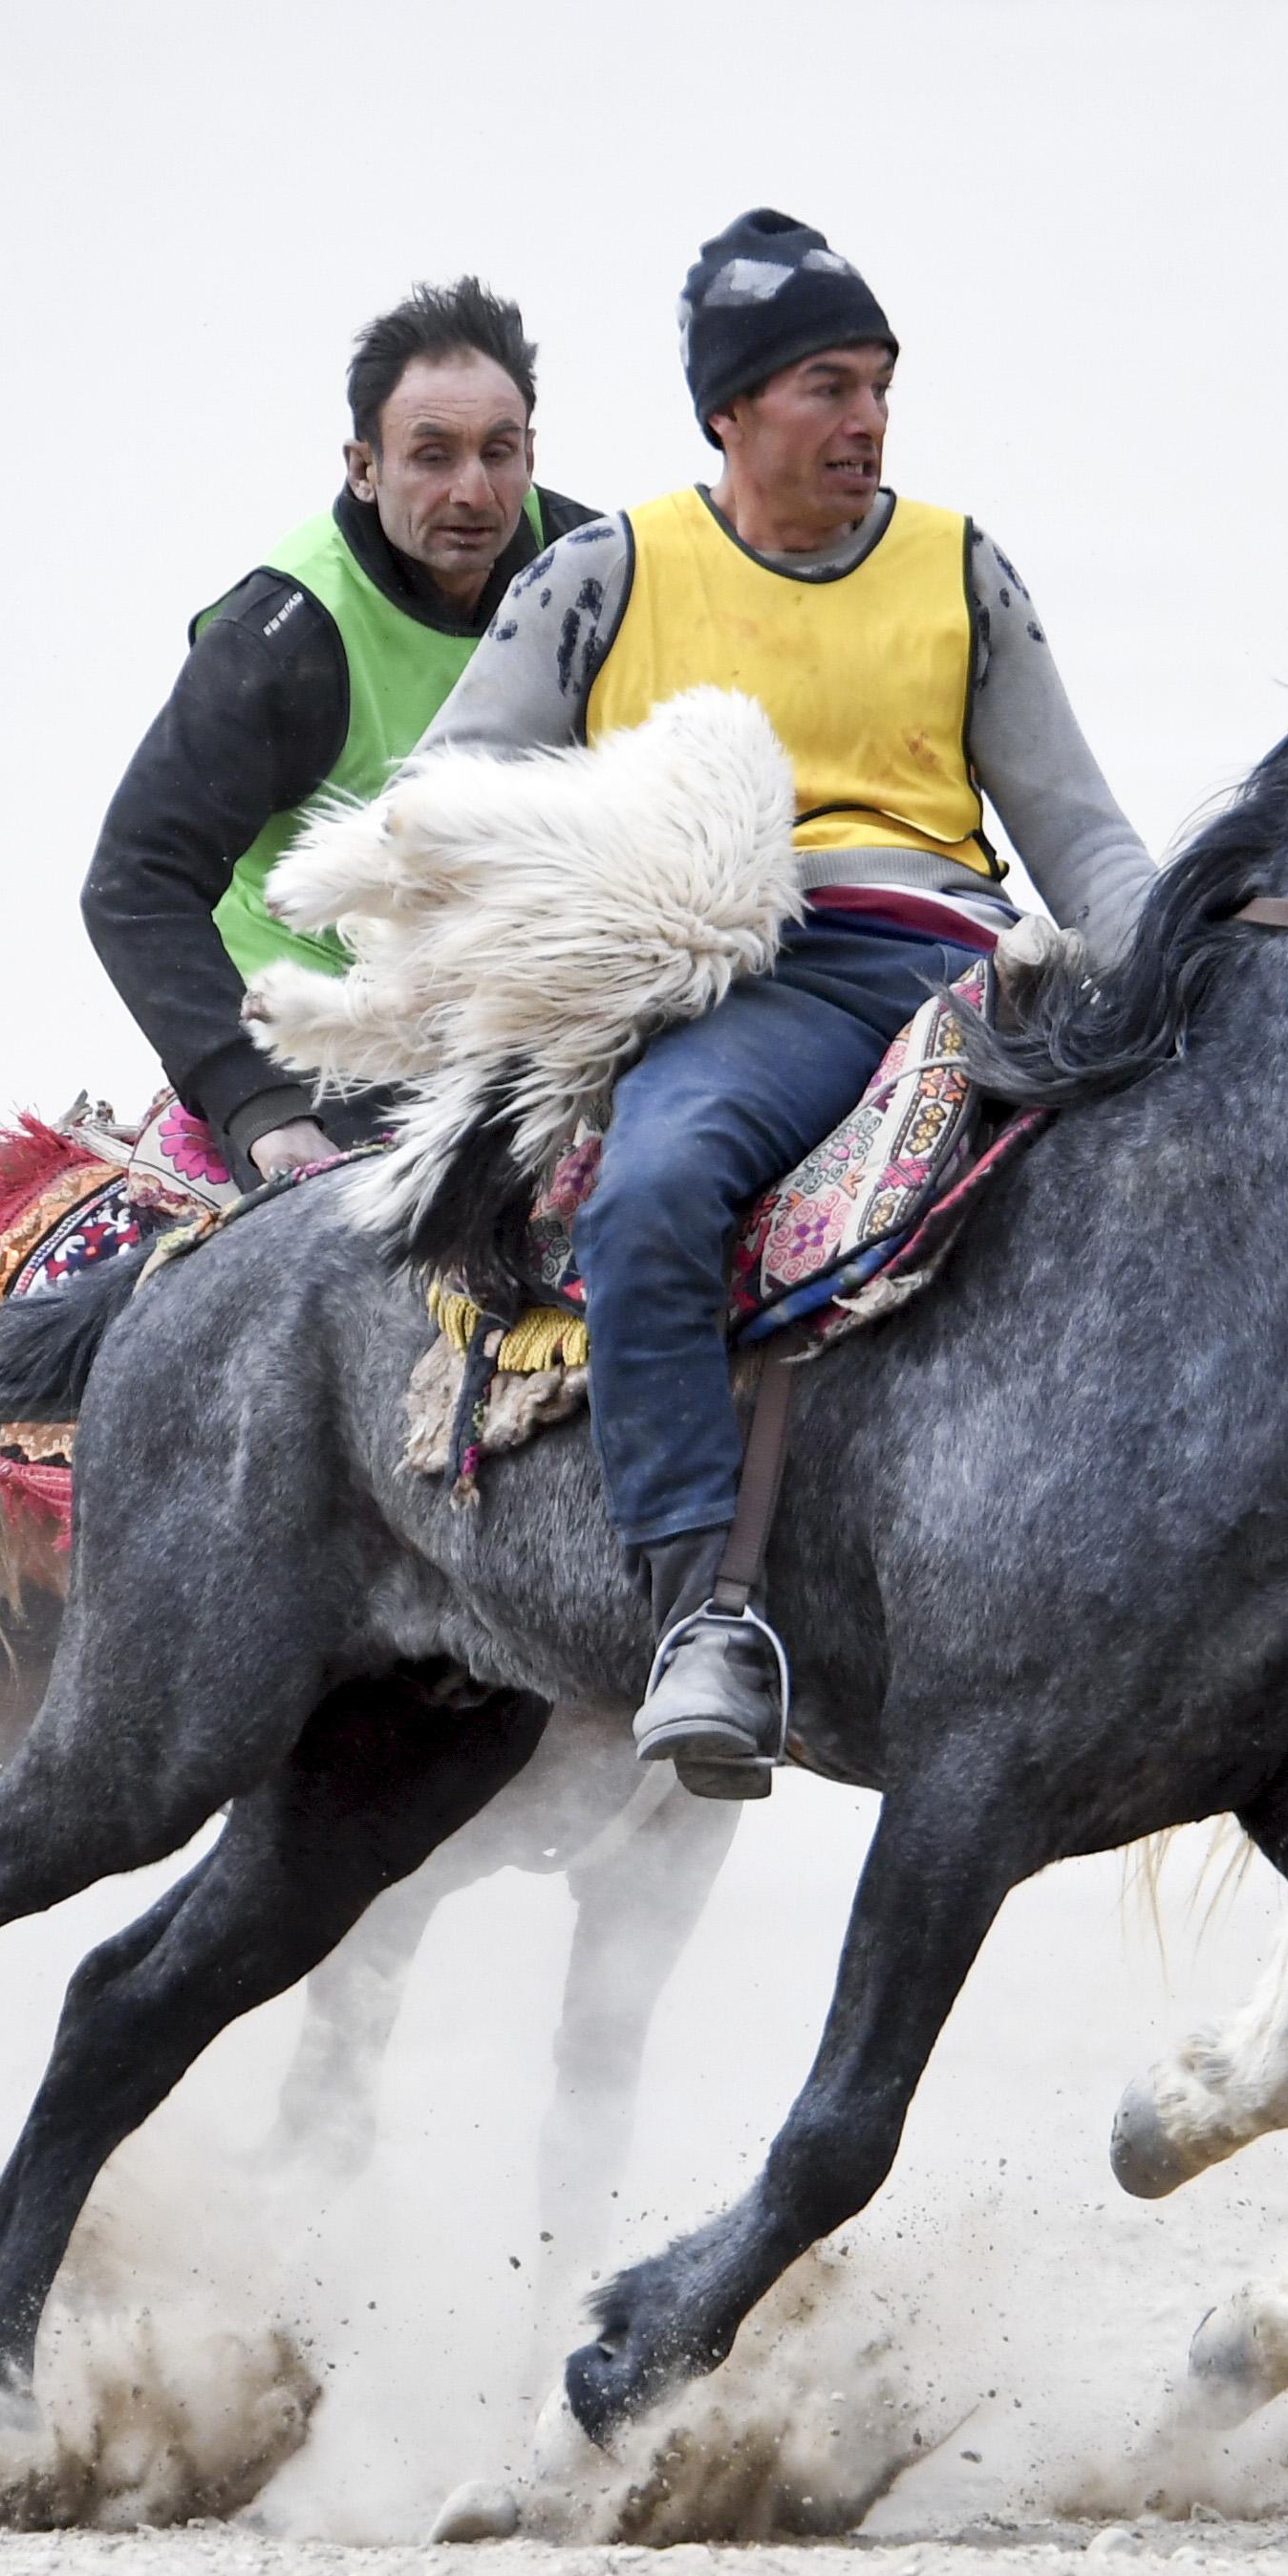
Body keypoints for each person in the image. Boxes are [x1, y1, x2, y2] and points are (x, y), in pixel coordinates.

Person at [419, 208, 1162, 1797]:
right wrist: (621, 851)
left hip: (962, 966)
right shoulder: (602, 576)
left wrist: (1182, 974)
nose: (867, 420)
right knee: (658, 1189)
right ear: (731, 411)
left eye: (880, 384)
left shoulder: (962, 567)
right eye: (826, 385)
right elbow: (454, 789)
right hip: (744, 976)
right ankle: (700, 1621)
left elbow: (1079, 834)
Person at [81, 279, 600, 1187]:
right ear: (364, 467)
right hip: (330, 1040)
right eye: (430, 455)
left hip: (519, 1016)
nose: (472, 491)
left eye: (498, 452)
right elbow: (134, 883)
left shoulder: (597, 572)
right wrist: (255, 1104)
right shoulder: (278, 639)